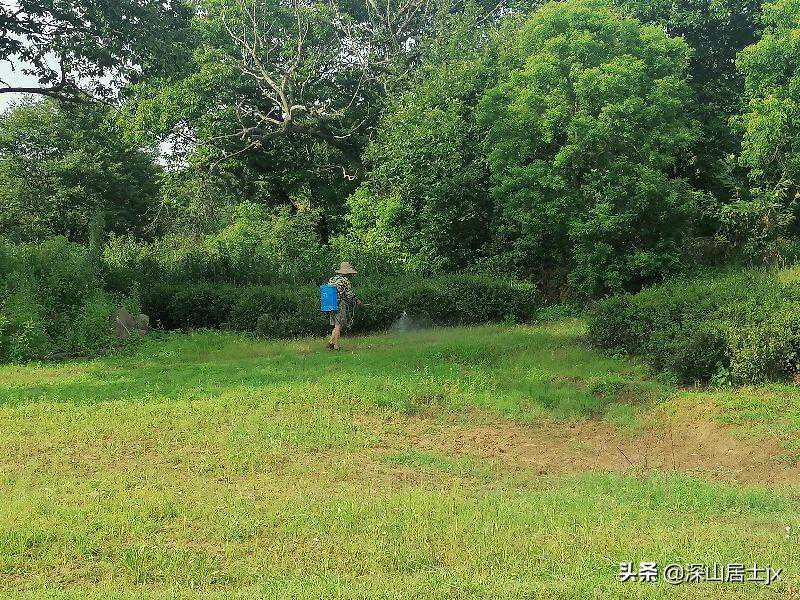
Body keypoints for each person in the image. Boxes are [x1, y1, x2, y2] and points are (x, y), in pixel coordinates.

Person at [327, 262, 362, 350]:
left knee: (336, 324)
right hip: (339, 304)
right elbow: (349, 294)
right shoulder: (345, 280)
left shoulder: (332, 279)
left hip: (330, 304)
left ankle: (331, 343)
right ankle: (336, 346)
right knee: (338, 325)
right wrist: (357, 300)